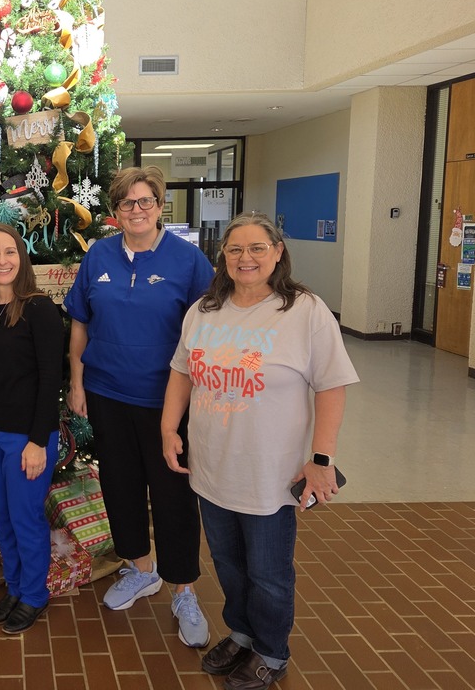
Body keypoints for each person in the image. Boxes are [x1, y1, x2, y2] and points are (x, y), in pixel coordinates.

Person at [161, 211, 359, 690]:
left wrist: (322, 460)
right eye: (234, 250)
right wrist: (169, 428)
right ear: (222, 256)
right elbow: (182, 371)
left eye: (256, 249)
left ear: (277, 253)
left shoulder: (304, 311)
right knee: (228, 564)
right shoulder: (206, 310)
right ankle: (243, 633)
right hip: (212, 467)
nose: (245, 258)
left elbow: (332, 387)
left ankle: (271, 650)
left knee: (268, 573)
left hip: (270, 473)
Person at [63, 165, 214, 648]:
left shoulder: (189, 262)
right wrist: (78, 382)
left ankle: (184, 588)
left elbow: (207, 333)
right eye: (127, 203)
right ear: (115, 211)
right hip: (108, 395)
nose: (137, 210)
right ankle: (139, 569)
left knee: (173, 497)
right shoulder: (99, 256)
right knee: (121, 488)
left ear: (160, 206)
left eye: (145, 201)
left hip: (167, 403)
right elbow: (81, 324)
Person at [0, 224, 64, 635]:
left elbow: (51, 379)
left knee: (26, 518)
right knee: (2, 516)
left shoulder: (40, 308)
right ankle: (15, 585)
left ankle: (33, 594)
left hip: (27, 436)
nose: (2, 261)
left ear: (22, 257)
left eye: (10, 252)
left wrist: (37, 441)